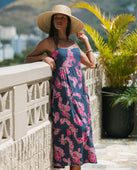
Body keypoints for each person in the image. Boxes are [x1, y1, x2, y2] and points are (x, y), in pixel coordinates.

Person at [25, 4, 97, 170]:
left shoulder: (73, 44)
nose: (59, 20)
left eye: (62, 17)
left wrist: (85, 41)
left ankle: (76, 166)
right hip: (63, 94)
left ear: (68, 22)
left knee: (83, 128)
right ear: (52, 22)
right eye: (56, 18)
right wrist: (44, 57)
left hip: (80, 94)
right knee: (71, 130)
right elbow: (29, 58)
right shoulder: (49, 42)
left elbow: (92, 64)